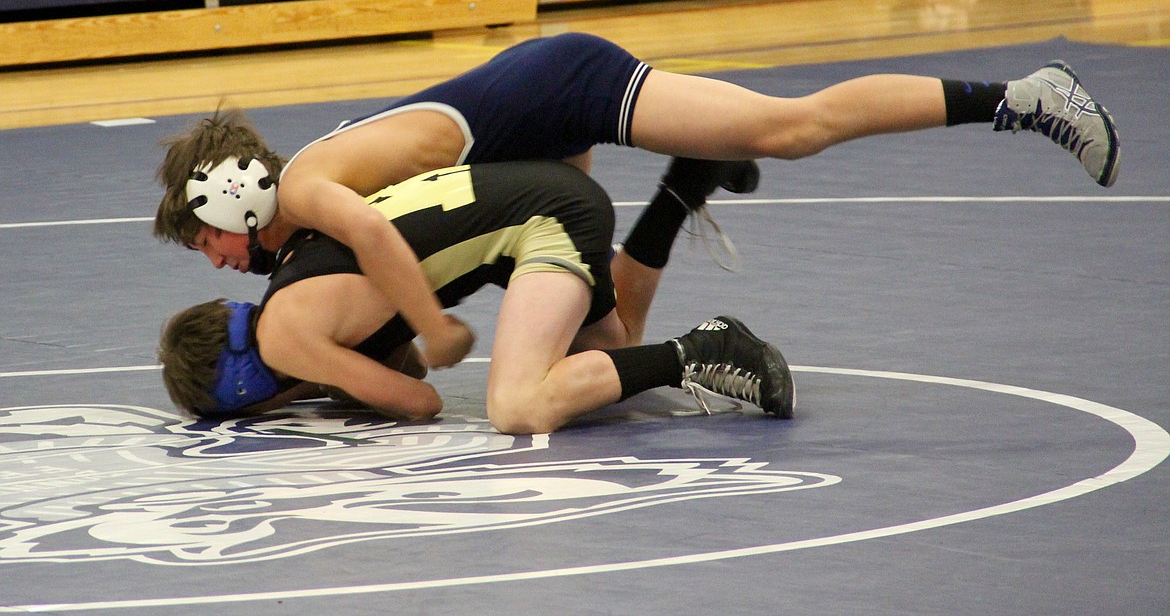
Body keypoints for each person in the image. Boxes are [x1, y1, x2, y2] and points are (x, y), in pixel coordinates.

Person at [154, 33, 1119, 367]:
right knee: (604, 350)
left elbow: (373, 230)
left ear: (232, 206)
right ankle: (678, 195)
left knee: (788, 128)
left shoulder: (316, 187)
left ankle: (1023, 98)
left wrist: (432, 332)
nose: (222, 266)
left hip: (562, 86)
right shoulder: (302, 213)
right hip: (520, 169)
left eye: (208, 246)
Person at [159, 160, 795, 434]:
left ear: (242, 392)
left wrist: (320, 380)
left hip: (543, 218)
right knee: (613, 351)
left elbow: (420, 400)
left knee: (518, 406)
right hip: (538, 202)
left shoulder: (285, 335)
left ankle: (703, 351)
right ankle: (684, 183)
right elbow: (400, 360)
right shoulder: (294, 281)